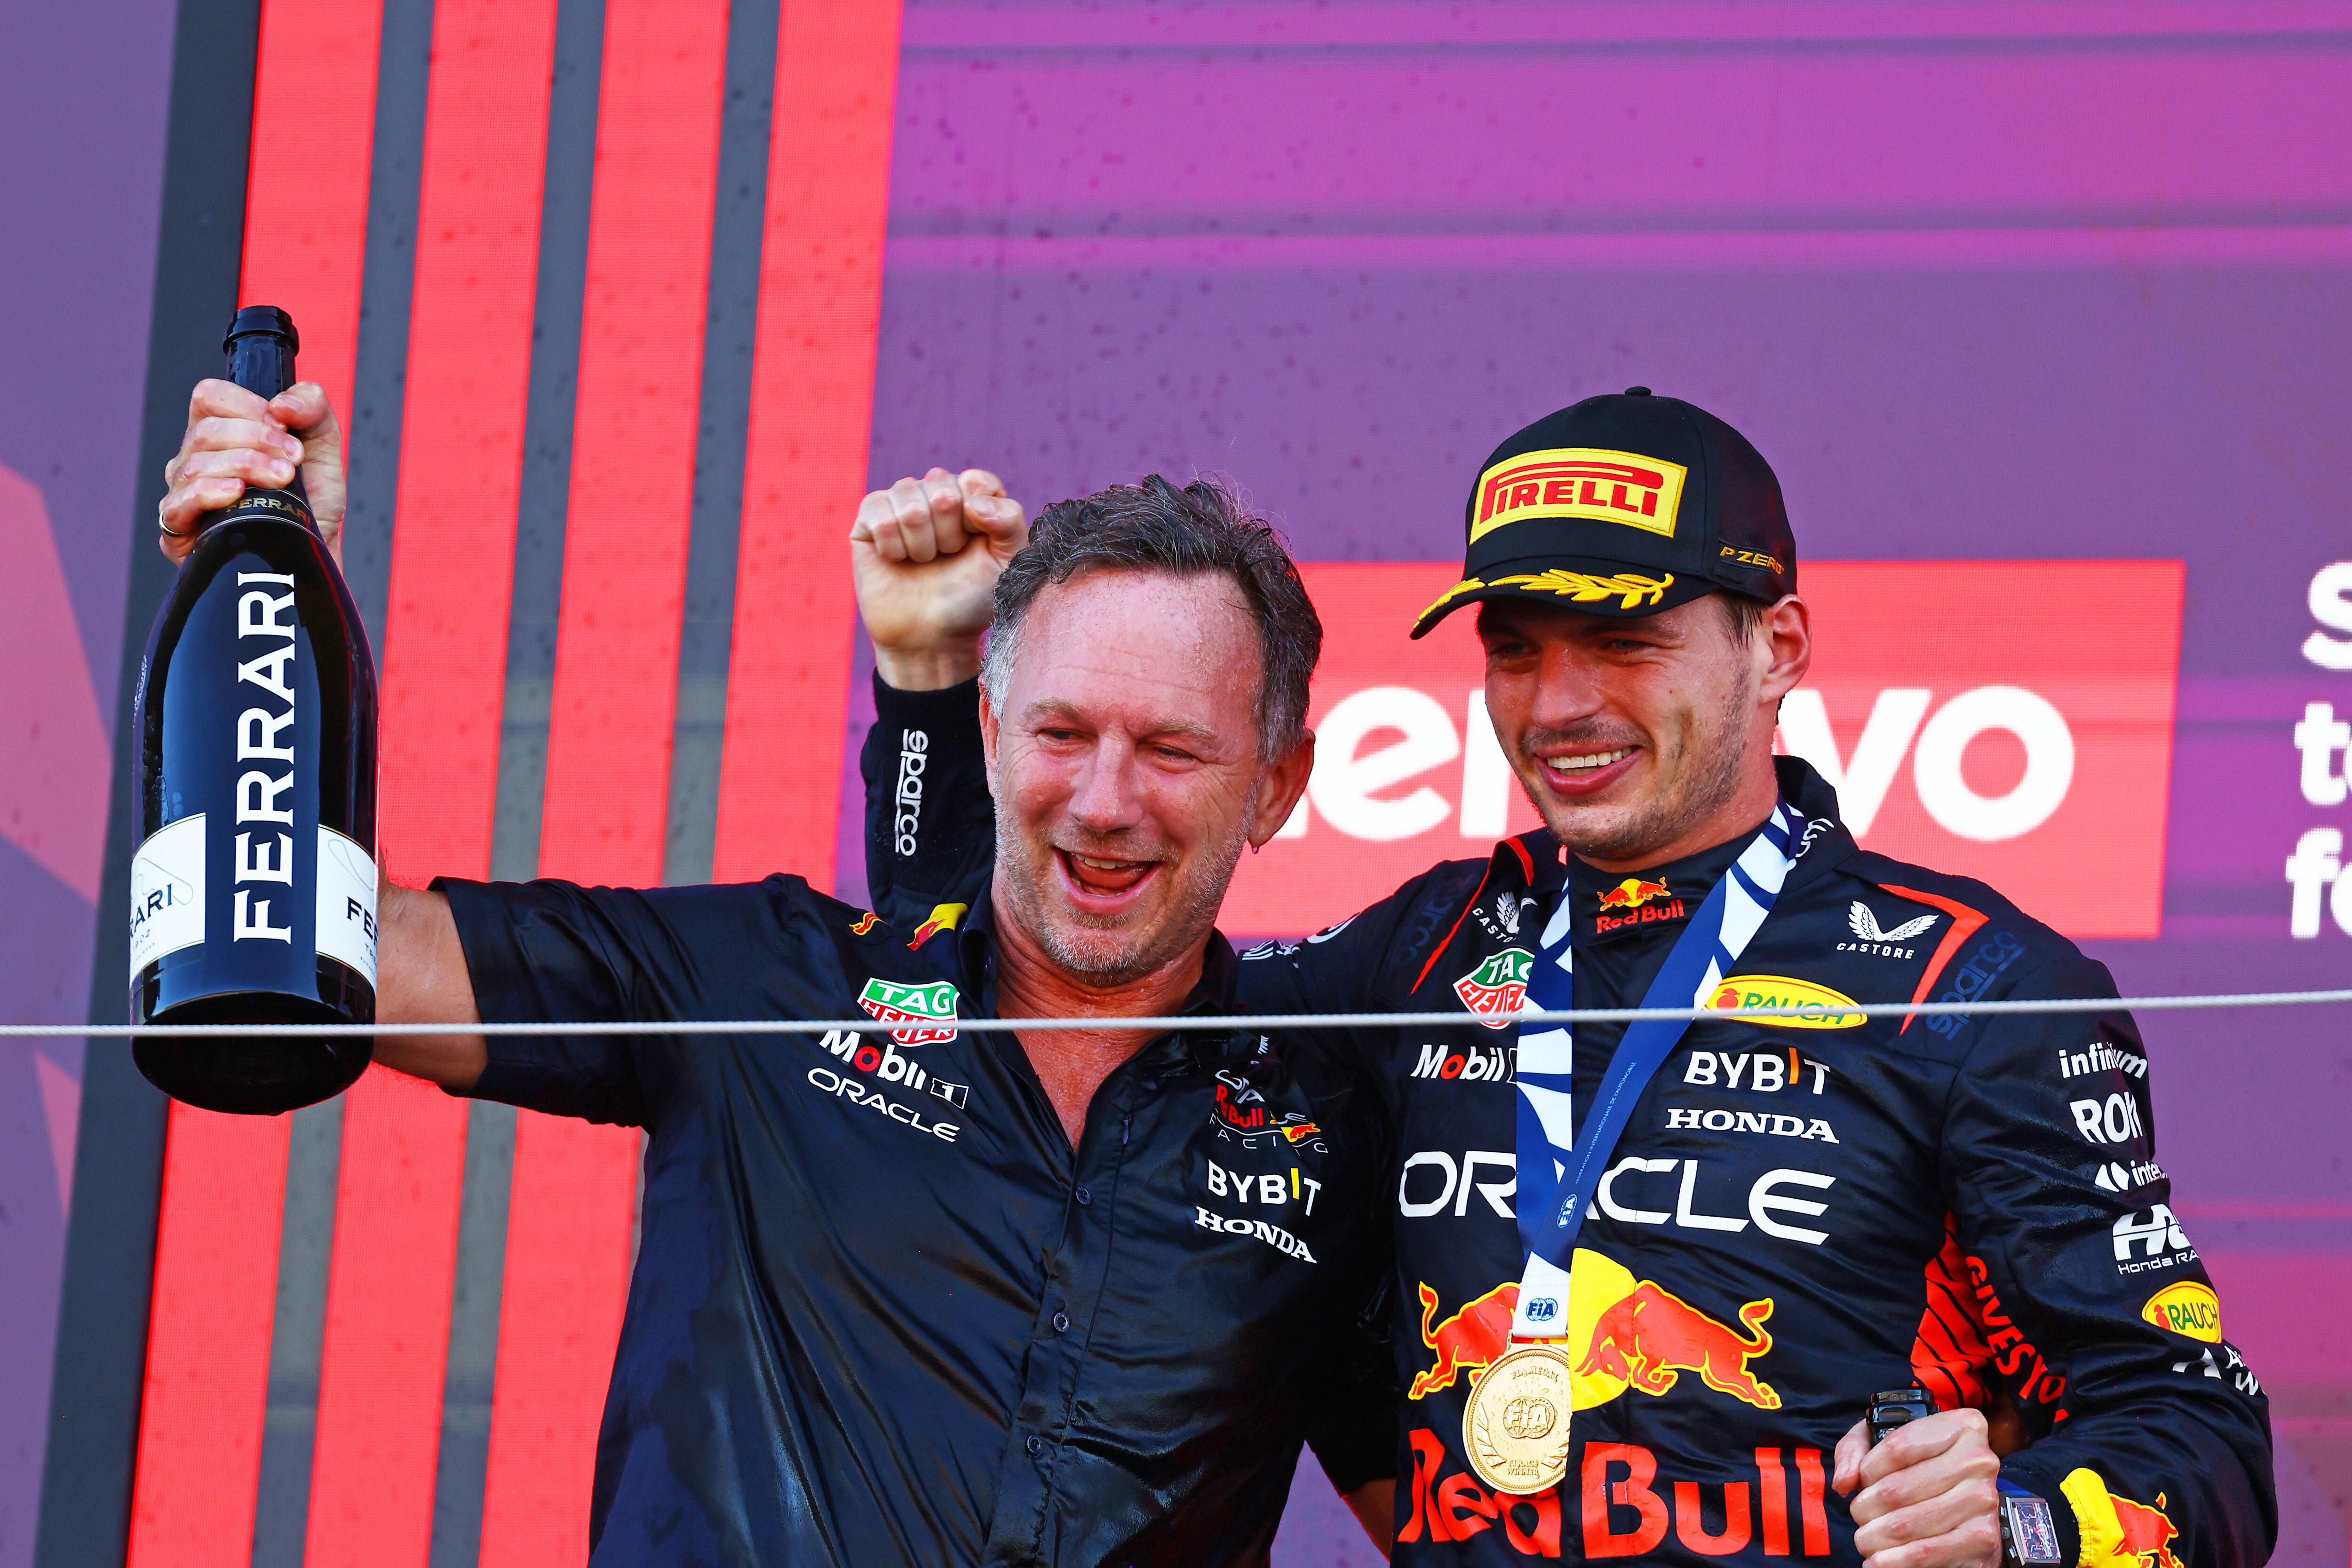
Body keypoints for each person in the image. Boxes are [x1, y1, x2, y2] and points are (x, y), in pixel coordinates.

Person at [855, 390, 2276, 1567]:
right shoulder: (1416, 959)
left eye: (1626, 641)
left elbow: (2196, 1424)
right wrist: (929, 686)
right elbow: (1042, 993)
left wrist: (2020, 1529)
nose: (1561, 704)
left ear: (1776, 646)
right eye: (1518, 649)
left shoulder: (1971, 987)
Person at [158, 379, 1403, 1566]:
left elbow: (1465, 1515)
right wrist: (275, 613)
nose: (1105, 799)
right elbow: (360, 952)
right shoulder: (770, 983)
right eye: (1063, 732)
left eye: (1174, 750)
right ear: (990, 730)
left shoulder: (1335, 1133)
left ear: (1278, 787)